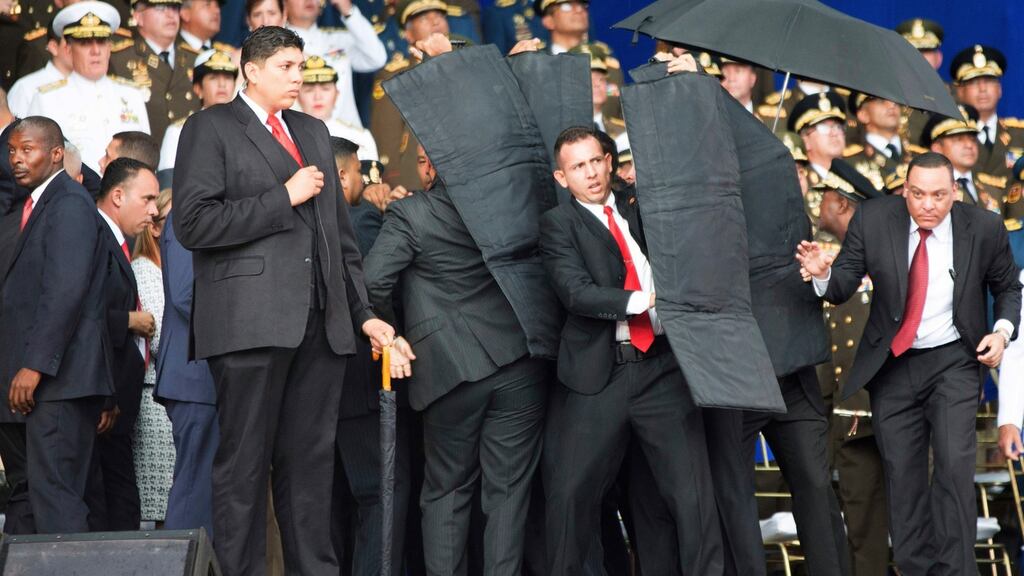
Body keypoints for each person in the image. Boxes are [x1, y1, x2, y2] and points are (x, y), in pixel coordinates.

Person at [172, 26, 399, 576]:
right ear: (251, 70)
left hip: (321, 325)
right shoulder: (209, 126)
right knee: (244, 468)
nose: (299, 78)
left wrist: (364, 315)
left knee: (310, 469)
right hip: (248, 323)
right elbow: (193, 223)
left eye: (302, 67)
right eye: (286, 67)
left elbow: (339, 239)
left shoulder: (313, 129)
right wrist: (283, 197)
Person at [796, 151, 1023, 574]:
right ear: (905, 191)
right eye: (917, 194)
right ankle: (916, 570)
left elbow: (1009, 287)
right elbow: (842, 283)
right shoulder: (874, 220)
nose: (927, 205)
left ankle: (958, 570)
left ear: (954, 192)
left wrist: (1003, 330)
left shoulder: (984, 227)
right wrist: (821, 273)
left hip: (955, 359)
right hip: (894, 363)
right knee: (903, 476)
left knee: (955, 467)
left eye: (938, 195)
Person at [363, 119, 547, 576]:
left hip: (448, 367)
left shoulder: (411, 214)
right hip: (519, 360)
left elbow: (372, 281)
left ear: (430, 170)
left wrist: (394, 330)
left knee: (447, 491)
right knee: (508, 494)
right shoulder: (508, 208)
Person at [537, 126, 722, 574]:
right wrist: (645, 301)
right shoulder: (559, 225)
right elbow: (575, 293)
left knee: (692, 497)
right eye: (578, 167)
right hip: (600, 374)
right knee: (569, 495)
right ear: (563, 179)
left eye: (596, 161)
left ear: (610, 162)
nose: (591, 173)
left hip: (662, 367)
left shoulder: (643, 207)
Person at [0, 116, 113, 534]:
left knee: (56, 496)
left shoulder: (68, 202)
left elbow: (65, 291)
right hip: (34, 382)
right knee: (30, 496)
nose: (16, 159)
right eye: (12, 150)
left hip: (57, 381)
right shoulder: (28, 206)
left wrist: (34, 366)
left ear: (56, 153)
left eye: (27, 149)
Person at [329, 136, 409, 576]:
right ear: (342, 175)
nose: (363, 180)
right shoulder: (359, 221)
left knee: (338, 506)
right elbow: (378, 290)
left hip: (328, 390)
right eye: (359, 171)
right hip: (364, 384)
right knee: (381, 495)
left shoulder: (310, 221)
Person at [811, 169, 890, 576]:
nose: (818, 205)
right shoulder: (835, 268)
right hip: (852, 420)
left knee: (917, 519)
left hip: (897, 412)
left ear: (842, 203)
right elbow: (830, 357)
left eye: (824, 197)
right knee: (862, 528)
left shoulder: (894, 257)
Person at [88, 156, 160, 532]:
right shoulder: (95, 237)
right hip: (102, 400)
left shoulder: (117, 241)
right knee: (109, 504)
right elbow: (85, 315)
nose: (153, 211)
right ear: (117, 195)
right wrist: (105, 398)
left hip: (116, 403)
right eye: (147, 199)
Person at [155, 205, 218, 538]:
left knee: (207, 489)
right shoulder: (187, 214)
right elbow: (184, 294)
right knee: (195, 489)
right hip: (196, 373)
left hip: (204, 373)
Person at [27, 1, 150, 173]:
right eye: (85, 43)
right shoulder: (47, 98)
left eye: (101, 42)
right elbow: (38, 165)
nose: (95, 51)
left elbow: (146, 155)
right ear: (68, 48)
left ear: (109, 47)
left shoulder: (132, 94)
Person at [130, 186, 173, 525]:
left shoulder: (168, 269)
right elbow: (160, 339)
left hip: (165, 395)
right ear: (155, 227)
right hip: (155, 400)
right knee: (157, 513)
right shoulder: (146, 270)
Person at [108, 0, 200, 144]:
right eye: (160, 8)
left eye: (174, 7)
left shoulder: (195, 59)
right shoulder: (118, 58)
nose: (170, 14)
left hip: (190, 154)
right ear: (138, 16)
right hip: (143, 156)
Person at [284, 0, 386, 127]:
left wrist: (349, 12)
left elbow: (377, 58)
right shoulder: (278, 47)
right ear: (284, 4)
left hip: (348, 136)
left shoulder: (338, 38)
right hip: (299, 135)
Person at [950, 45, 1024, 179]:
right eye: (973, 82)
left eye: (989, 81)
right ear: (960, 92)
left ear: (999, 89)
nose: (982, 88)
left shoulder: (1020, 134)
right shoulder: (949, 138)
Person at [158, 49, 237, 171]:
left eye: (227, 77)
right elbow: (168, 183)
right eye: (213, 78)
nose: (222, 84)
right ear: (198, 89)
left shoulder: (246, 128)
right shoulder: (178, 132)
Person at [922, 104, 1005, 214]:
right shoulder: (930, 189)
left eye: (972, 139)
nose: (969, 145)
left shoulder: (993, 190)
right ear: (937, 148)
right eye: (959, 139)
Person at [296, 56, 378, 160]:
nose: (318, 97)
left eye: (325, 89)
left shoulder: (360, 137)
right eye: (309, 90)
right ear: (297, 96)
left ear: (337, 94)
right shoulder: (286, 136)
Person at [843, 91, 916, 191]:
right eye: (880, 100)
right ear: (863, 115)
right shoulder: (851, 163)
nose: (891, 104)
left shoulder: (919, 156)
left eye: (895, 99)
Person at [895, 18, 946, 148]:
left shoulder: (957, 98)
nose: (919, 58)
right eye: (911, 52)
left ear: (939, 58)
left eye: (926, 51)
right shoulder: (887, 100)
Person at [7, 26, 71, 117]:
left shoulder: (92, 84)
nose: (79, 49)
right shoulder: (26, 88)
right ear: (54, 47)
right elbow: (13, 129)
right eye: (70, 44)